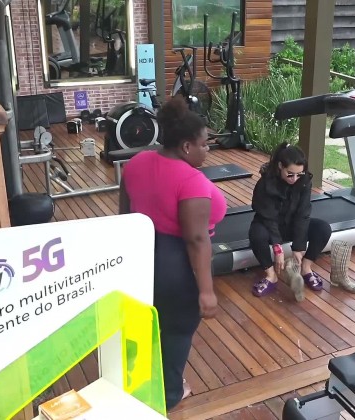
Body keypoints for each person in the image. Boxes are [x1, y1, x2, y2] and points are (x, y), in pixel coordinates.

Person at [119, 96, 227, 410]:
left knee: (144, 327)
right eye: (204, 145)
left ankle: (138, 385)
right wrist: (206, 291)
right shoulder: (191, 180)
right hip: (177, 265)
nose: (207, 150)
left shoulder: (136, 162)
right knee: (176, 332)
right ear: (186, 147)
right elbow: (196, 239)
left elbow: (125, 216)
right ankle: (167, 397)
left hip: (141, 255)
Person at [249, 142, 333, 297]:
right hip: (269, 225)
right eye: (290, 174)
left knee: (323, 228)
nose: (294, 178)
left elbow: (303, 213)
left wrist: (299, 247)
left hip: (292, 225)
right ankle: (271, 276)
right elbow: (268, 217)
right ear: (280, 166)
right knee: (256, 234)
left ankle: (306, 268)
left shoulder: (304, 181)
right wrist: (277, 247)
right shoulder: (265, 183)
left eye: (299, 174)